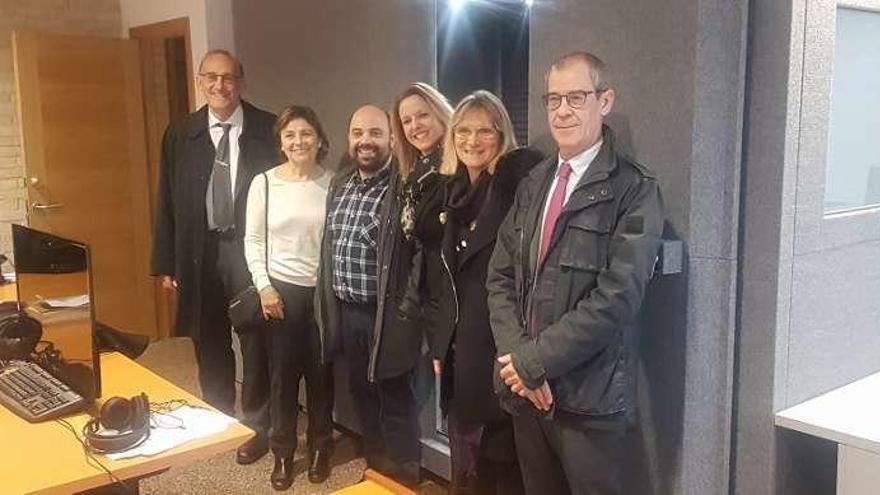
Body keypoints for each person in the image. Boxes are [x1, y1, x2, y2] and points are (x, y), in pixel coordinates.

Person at [487, 51, 665, 494]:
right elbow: (501, 278)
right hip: (527, 394)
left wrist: (533, 362)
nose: (562, 110)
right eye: (553, 99)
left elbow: (617, 297)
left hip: (589, 403)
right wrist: (518, 365)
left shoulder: (635, 190)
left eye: (576, 97)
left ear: (604, 101)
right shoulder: (535, 182)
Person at [151, 49, 277, 418]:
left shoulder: (268, 129)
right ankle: (220, 414)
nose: (219, 85)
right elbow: (167, 200)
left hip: (249, 250)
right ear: (199, 82)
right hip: (198, 251)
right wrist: (165, 262)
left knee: (256, 340)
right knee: (208, 338)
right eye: (211, 77)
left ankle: (257, 424)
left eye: (228, 78)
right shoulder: (179, 134)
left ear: (241, 82)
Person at [432, 90, 543, 494]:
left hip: (499, 341)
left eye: (484, 131)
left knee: (503, 456)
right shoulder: (455, 193)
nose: (472, 141)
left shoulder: (513, 188)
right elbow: (445, 278)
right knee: (467, 459)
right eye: (463, 130)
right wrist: (440, 345)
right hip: (462, 345)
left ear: (501, 135)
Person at [242, 105, 335, 490]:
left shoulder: (334, 182)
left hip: (323, 295)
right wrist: (264, 286)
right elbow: (253, 241)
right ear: (281, 142)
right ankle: (282, 453)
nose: (299, 141)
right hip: (279, 293)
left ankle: (320, 448)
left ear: (319, 140)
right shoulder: (264, 183)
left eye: (306, 134)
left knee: (321, 376)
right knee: (282, 378)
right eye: (291, 135)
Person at [368, 82, 454, 486]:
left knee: (449, 396)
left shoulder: (454, 168)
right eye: (406, 120)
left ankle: (412, 471)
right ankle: (404, 472)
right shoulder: (411, 169)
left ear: (440, 112)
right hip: (407, 295)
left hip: (440, 300)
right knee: (394, 381)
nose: (415, 125)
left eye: (422, 114)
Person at [315, 104, 395, 480]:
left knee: (393, 397)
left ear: (392, 138)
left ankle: (397, 475)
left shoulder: (399, 187)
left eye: (376, 133)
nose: (365, 141)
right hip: (345, 311)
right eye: (358, 132)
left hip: (382, 314)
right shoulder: (342, 183)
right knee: (361, 392)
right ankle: (376, 466)